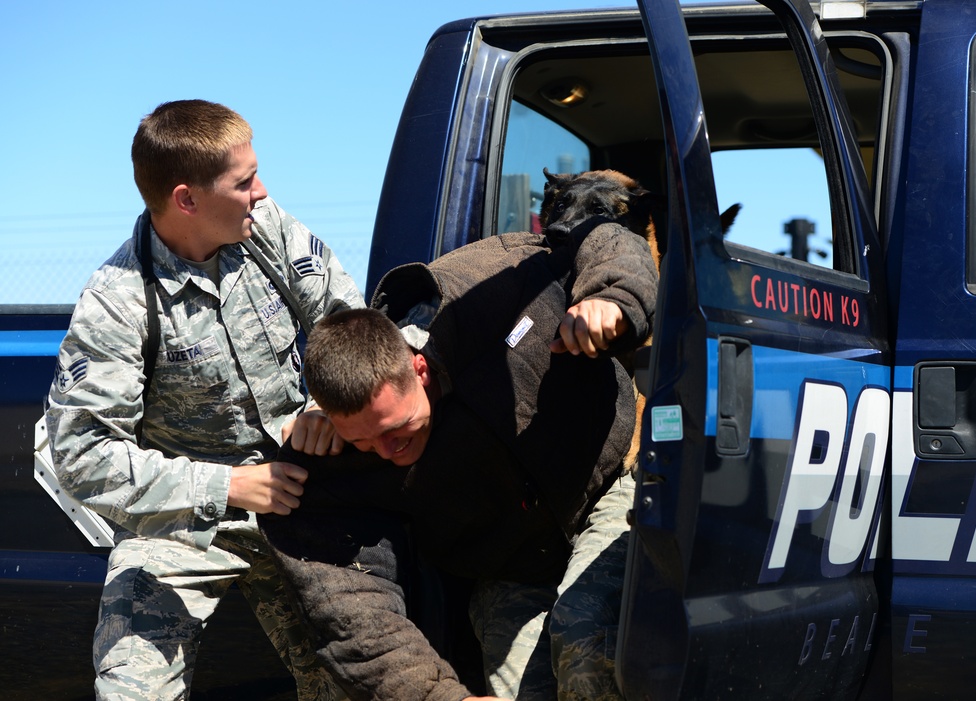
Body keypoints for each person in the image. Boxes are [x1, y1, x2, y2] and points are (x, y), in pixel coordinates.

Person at [44, 99, 365, 700]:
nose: (261, 191)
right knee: (130, 688)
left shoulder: (266, 229)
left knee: (357, 673)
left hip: (304, 497)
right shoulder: (117, 300)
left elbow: (347, 323)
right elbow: (83, 456)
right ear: (187, 199)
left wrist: (331, 403)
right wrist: (225, 487)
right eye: (243, 182)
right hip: (180, 526)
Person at [260, 219, 658, 700]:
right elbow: (351, 614)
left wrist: (612, 298)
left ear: (419, 368)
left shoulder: (484, 285)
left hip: (607, 487)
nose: (389, 453)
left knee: (583, 643)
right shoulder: (327, 464)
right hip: (510, 566)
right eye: (364, 442)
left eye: (394, 429)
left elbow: (602, 235)